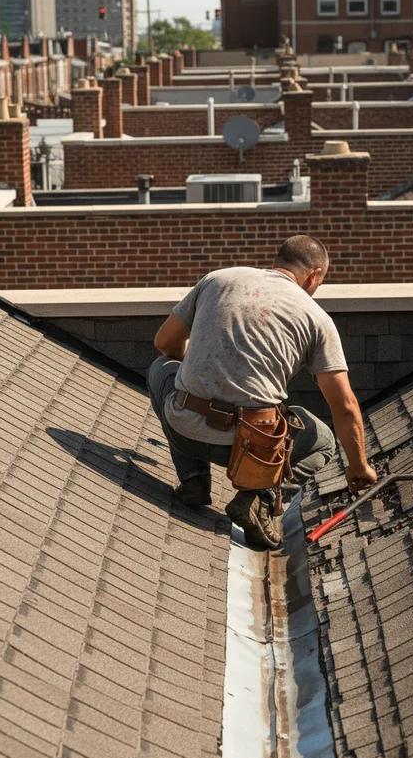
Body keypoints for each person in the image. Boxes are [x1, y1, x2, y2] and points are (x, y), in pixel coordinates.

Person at [147, 234, 377, 549]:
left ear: (277, 260)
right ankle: (259, 498)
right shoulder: (316, 318)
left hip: (184, 428)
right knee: (322, 440)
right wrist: (358, 466)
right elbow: (345, 406)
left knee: (161, 369)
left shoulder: (218, 279)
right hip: (253, 449)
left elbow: (165, 343)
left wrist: (200, 365)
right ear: (313, 276)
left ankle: (193, 481)